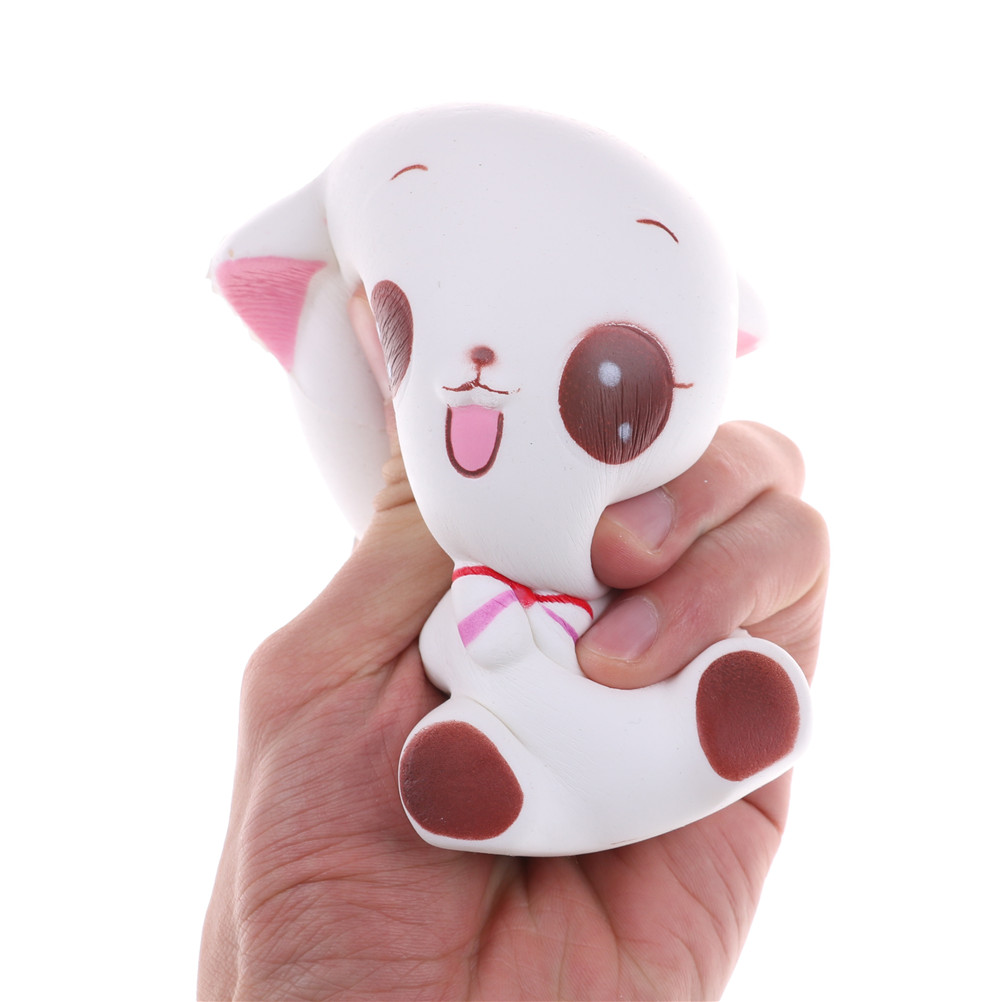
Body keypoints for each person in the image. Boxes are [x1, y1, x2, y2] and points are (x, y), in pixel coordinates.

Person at [198, 420, 828, 1001]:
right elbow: (483, 644)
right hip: (537, 753)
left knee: (636, 625)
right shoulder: (472, 584)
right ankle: (507, 781)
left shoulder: (544, 575)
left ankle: (711, 723)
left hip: (613, 739)